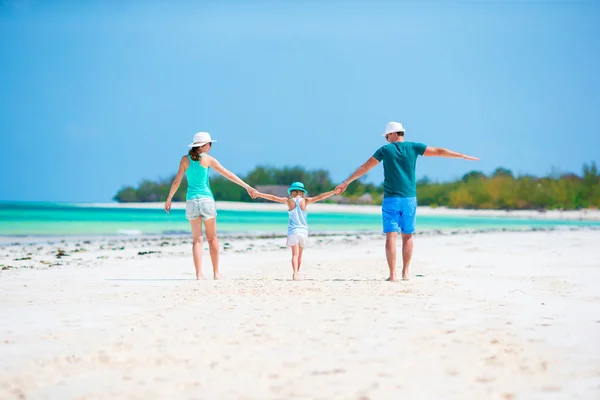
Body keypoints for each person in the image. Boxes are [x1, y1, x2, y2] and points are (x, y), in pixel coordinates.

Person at [335, 121, 479, 282]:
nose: (386, 139)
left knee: (391, 236)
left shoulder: (385, 150)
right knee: (407, 236)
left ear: (394, 134)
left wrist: (346, 182)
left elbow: (365, 168)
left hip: (391, 199)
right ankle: (406, 272)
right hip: (410, 199)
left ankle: (393, 275)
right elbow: (439, 151)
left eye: (387, 136)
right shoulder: (414, 147)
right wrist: (461, 156)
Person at [164, 131, 257, 280]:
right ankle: (216, 272)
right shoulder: (208, 159)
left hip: (192, 201)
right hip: (207, 201)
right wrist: (247, 187)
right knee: (212, 238)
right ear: (204, 145)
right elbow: (228, 174)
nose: (211, 146)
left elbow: (176, 181)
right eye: (210, 144)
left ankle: (199, 274)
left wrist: (169, 199)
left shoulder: (184, 160)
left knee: (197, 240)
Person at [254, 182, 336, 281]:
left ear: (292, 192)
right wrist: (333, 191)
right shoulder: (305, 201)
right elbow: (320, 197)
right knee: (300, 255)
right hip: (303, 231)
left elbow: (273, 198)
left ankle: (295, 273)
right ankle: (297, 273)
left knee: (294, 255)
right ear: (302, 192)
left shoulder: (288, 201)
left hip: (293, 231)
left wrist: (259, 194)